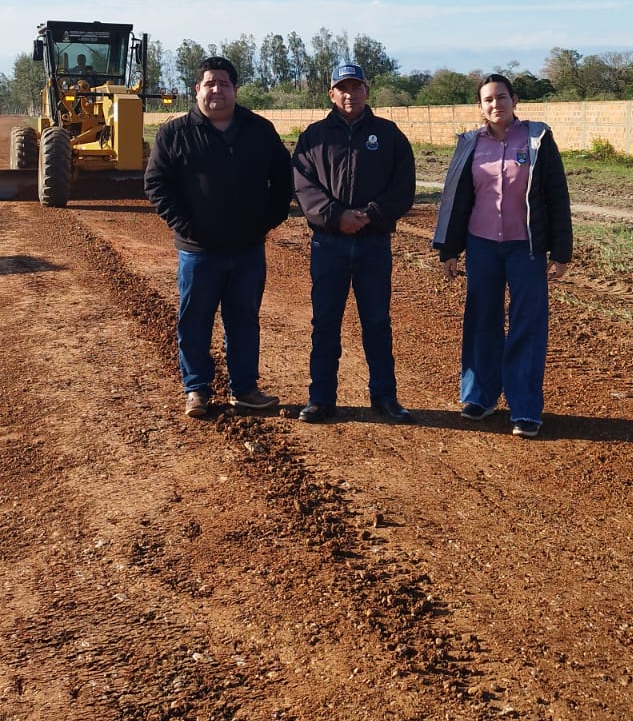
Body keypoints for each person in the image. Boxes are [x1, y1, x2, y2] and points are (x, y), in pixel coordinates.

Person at [144, 55, 293, 418]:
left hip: (247, 250)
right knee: (195, 321)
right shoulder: (174, 133)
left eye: (223, 84)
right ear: (197, 90)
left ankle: (245, 389)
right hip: (199, 252)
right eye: (209, 84)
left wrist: (264, 224)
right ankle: (196, 390)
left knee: (244, 320)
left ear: (234, 89)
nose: (216, 90)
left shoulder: (259, 130)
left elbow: (283, 181)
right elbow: (156, 184)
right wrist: (188, 227)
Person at [432, 73, 573, 438]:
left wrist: (560, 251)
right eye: (488, 100)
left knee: (527, 324)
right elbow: (455, 198)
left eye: (502, 97)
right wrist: (449, 248)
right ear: (480, 107)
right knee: (482, 318)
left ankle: (525, 408)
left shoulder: (537, 138)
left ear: (514, 100)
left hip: (525, 248)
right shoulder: (469, 144)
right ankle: (480, 396)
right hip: (481, 245)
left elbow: (556, 195)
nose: (496, 105)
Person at [292, 63, 417, 423]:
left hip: (373, 243)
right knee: (325, 322)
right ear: (330, 94)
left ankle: (385, 397)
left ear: (367, 91)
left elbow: (403, 186)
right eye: (342, 88)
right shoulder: (314, 137)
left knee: (376, 321)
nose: (350, 94)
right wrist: (335, 216)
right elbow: (302, 185)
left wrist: (371, 214)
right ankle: (321, 398)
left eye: (356, 87)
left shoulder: (389, 135)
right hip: (329, 244)